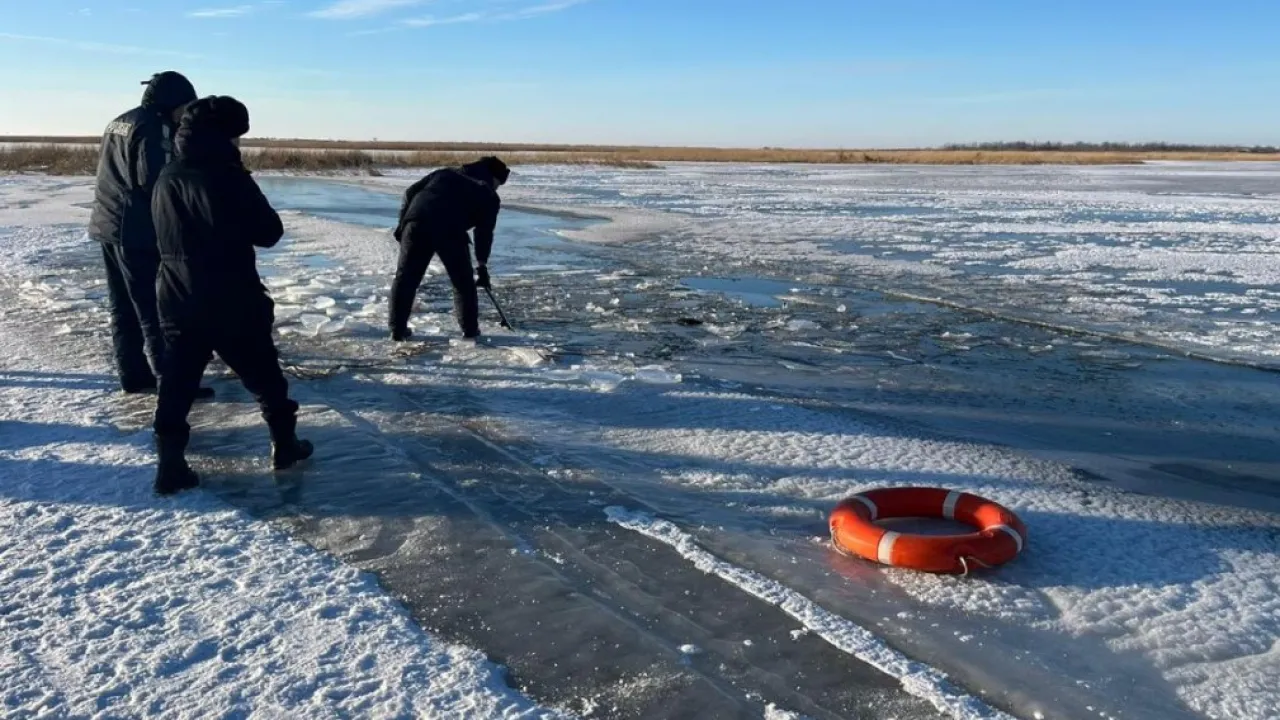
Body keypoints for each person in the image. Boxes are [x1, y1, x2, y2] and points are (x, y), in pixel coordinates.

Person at [148, 95, 313, 495]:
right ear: (225, 136)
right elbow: (269, 231)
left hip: (175, 290)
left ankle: (170, 463)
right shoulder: (227, 175)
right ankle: (284, 444)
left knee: (178, 379)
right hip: (229, 293)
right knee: (263, 375)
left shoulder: (168, 174)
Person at [88, 71, 213, 399]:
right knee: (156, 307)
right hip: (136, 230)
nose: (185, 114)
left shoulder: (120, 121)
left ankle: (132, 374)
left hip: (108, 224)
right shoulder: (154, 127)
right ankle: (173, 383)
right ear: (170, 103)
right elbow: (154, 180)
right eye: (185, 106)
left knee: (123, 306)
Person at [388, 156, 509, 341]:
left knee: (406, 279)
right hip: (450, 228)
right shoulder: (488, 194)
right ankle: (470, 330)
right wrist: (482, 265)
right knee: (463, 283)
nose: (497, 188)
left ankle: (397, 330)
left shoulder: (444, 173)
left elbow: (409, 192)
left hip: (416, 222)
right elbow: (484, 232)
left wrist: (403, 223)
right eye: (498, 183)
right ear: (493, 177)